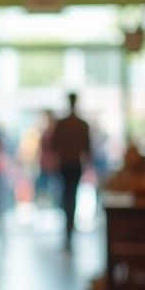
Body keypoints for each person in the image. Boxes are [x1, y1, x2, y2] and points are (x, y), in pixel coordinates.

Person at [50, 92, 91, 248]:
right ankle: (69, 228)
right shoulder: (81, 124)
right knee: (71, 196)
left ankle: (68, 229)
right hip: (74, 164)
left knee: (67, 196)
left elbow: (54, 145)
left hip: (66, 164)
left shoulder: (62, 124)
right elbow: (87, 150)